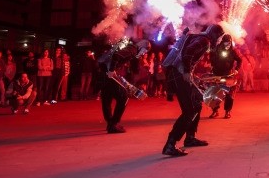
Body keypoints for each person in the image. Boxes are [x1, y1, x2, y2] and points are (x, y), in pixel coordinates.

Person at [162, 24, 225, 157]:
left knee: (196, 103)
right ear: (214, 35)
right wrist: (186, 71)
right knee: (189, 110)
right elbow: (188, 53)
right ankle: (170, 144)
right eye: (219, 37)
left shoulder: (200, 38)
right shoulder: (204, 41)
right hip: (178, 74)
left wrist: (191, 73)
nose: (219, 41)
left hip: (176, 73)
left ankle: (190, 137)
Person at [99, 39, 150, 133]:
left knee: (107, 98)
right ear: (142, 46)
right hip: (108, 73)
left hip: (103, 72)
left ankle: (110, 123)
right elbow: (116, 56)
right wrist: (111, 70)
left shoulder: (128, 46)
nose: (144, 53)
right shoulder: (132, 49)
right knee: (124, 97)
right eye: (145, 50)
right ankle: (114, 124)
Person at [209, 34, 242, 119]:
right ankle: (215, 111)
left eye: (229, 42)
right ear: (223, 42)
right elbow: (211, 55)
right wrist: (212, 65)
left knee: (229, 95)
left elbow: (239, 60)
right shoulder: (217, 49)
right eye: (226, 42)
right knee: (214, 94)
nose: (228, 44)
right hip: (217, 74)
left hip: (228, 75)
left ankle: (227, 111)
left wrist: (237, 69)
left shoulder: (233, 51)